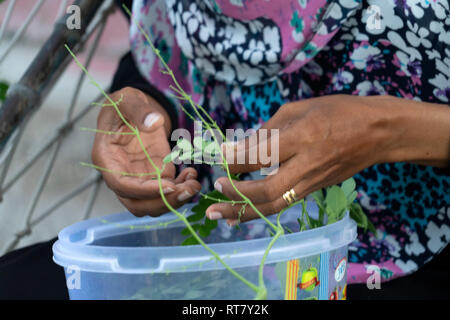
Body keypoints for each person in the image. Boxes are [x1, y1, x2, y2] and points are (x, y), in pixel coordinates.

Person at [0, 0, 448, 300]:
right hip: (230, 249)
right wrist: (148, 110)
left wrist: (388, 131)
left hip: (415, 253)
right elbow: (162, 57)